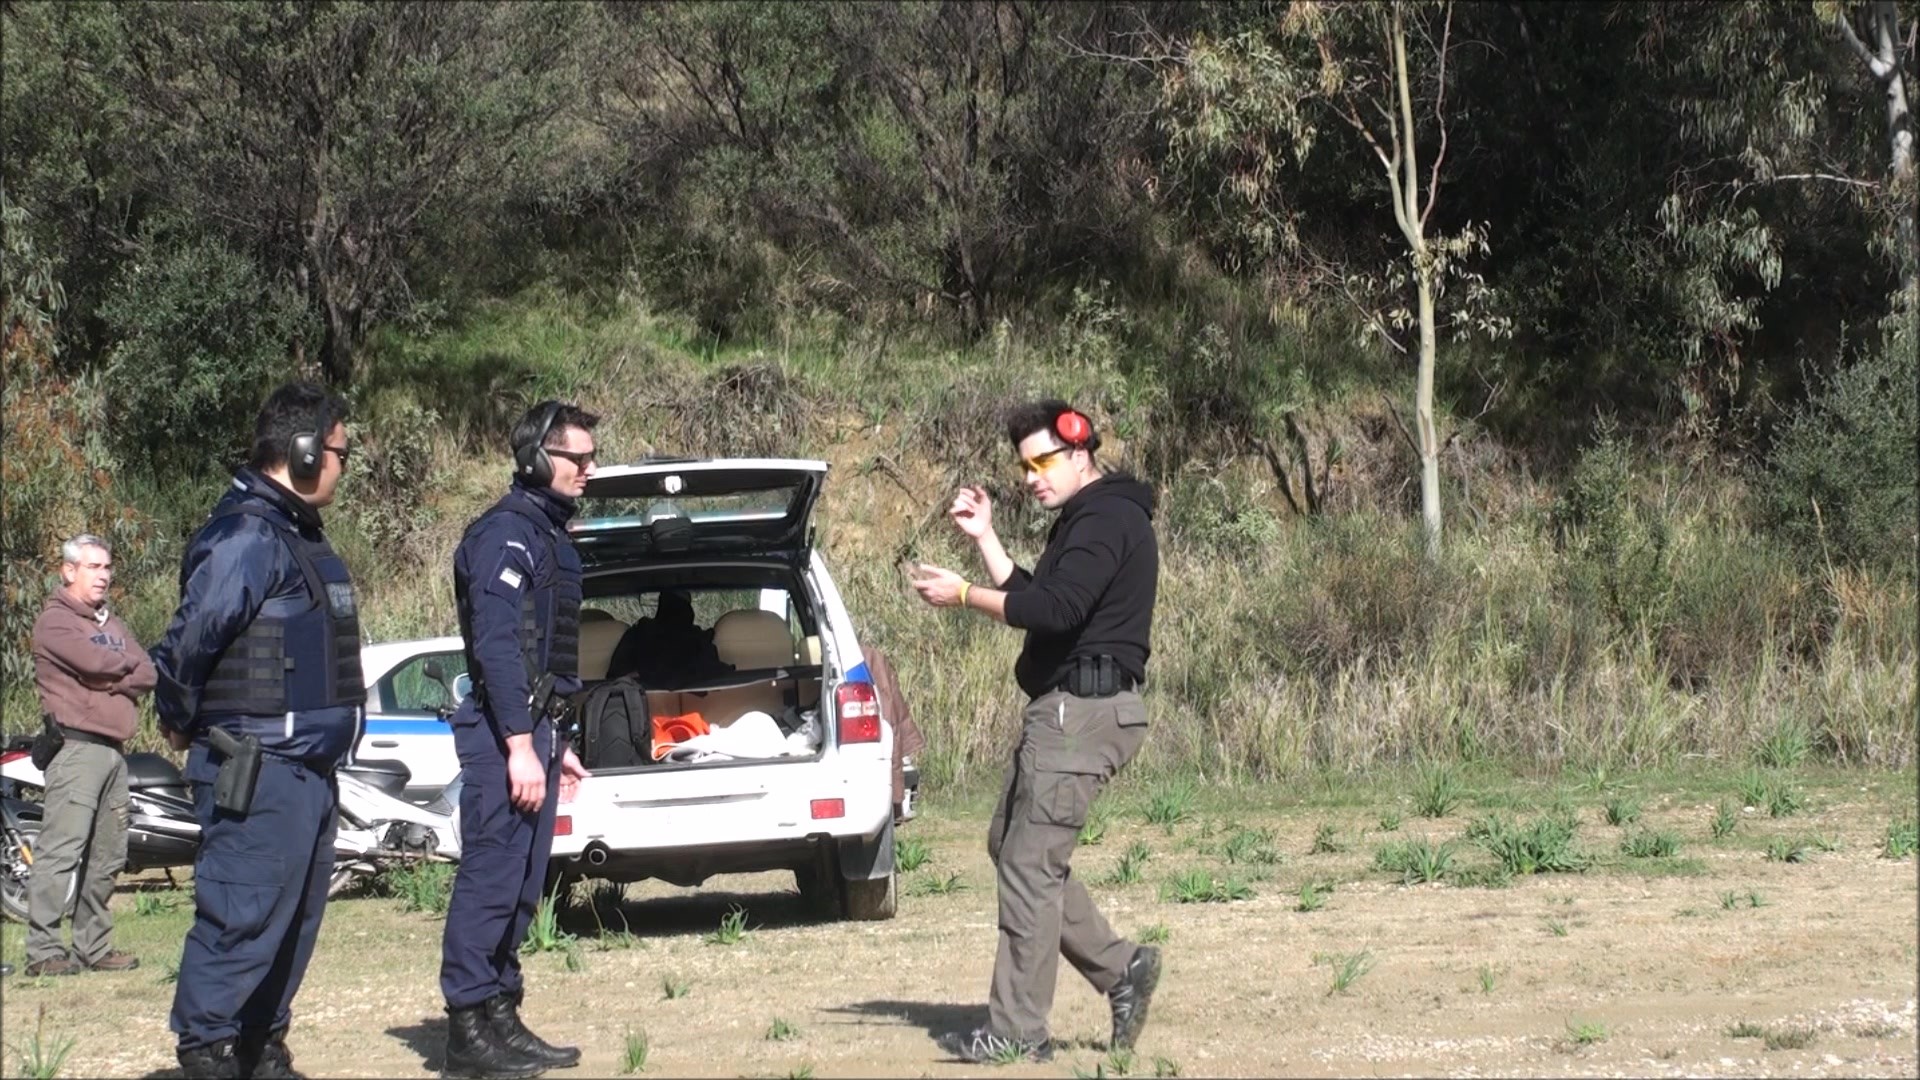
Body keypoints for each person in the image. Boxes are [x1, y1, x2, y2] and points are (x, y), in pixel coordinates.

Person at [911, 400, 1162, 1063]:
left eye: (1042, 461)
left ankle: (1018, 1031)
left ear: (1081, 451)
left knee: (1028, 865)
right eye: (1024, 465)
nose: (1030, 477)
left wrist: (964, 594)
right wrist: (985, 539)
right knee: (1012, 847)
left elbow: (1052, 610)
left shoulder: (1105, 520)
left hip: (1081, 714)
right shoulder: (1089, 519)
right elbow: (1043, 600)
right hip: (1068, 710)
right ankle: (1122, 968)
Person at [150, 381, 361, 1080]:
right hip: (258, 769)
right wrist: (177, 718)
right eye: (337, 451)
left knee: (291, 928)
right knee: (240, 920)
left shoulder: (293, 536)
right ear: (302, 453)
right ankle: (207, 1053)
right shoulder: (245, 536)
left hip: (304, 775)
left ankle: (260, 1049)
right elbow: (189, 644)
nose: (341, 465)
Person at [439, 400, 596, 1080]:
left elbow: (544, 653)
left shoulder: (547, 533)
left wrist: (553, 737)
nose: (589, 470)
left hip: (536, 729)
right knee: (492, 880)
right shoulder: (505, 534)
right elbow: (497, 647)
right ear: (536, 459)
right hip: (506, 734)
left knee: (523, 884)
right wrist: (517, 744)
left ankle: (501, 1013)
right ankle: (468, 1031)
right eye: (577, 459)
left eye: (592, 458)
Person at [25, 533, 155, 977]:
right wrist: (119, 670)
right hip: (76, 749)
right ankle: (43, 951)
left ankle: (92, 947)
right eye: (93, 567)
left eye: (107, 567)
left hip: (114, 753)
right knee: (61, 852)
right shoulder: (56, 622)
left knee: (107, 856)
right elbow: (97, 664)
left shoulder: (109, 622)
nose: (103, 575)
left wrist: (113, 675)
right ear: (69, 571)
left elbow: (148, 670)